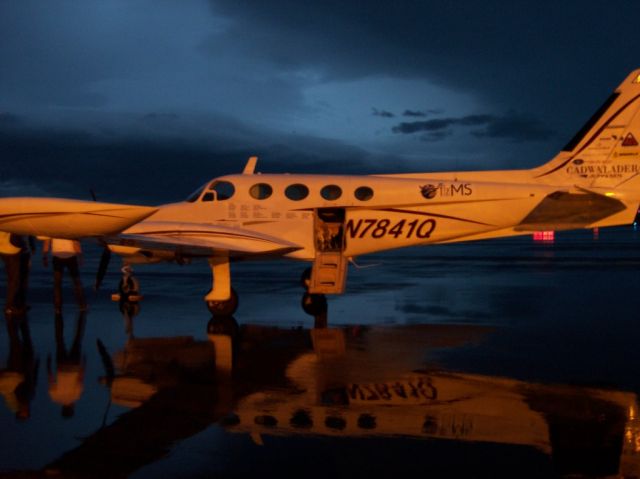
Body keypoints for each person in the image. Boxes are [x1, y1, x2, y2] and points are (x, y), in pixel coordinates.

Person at [42, 238, 86, 314]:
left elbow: (47, 242)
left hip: (57, 256)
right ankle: (81, 305)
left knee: (57, 284)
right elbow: (75, 242)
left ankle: (57, 308)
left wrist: (45, 256)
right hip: (71, 255)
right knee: (76, 281)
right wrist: (80, 256)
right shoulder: (70, 226)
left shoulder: (51, 228)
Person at [0, 233, 34, 314]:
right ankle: (10, 306)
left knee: (15, 279)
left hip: (4, 249)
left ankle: (18, 304)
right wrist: (23, 247)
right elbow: (16, 235)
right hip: (12, 250)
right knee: (14, 280)